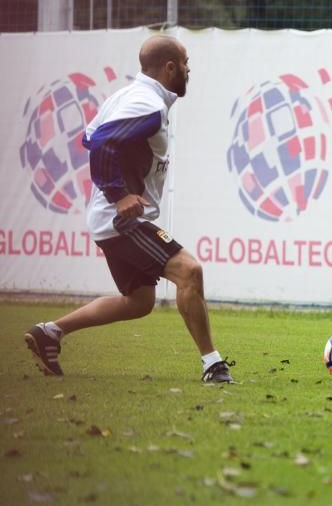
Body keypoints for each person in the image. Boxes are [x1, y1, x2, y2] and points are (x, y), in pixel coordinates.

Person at [24, 35, 234, 383]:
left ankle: (51, 332)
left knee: (139, 302)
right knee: (189, 271)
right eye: (185, 63)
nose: (189, 69)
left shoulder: (131, 97)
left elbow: (90, 137)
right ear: (170, 68)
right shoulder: (146, 105)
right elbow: (102, 144)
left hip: (111, 218)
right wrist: (119, 194)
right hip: (122, 220)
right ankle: (213, 365)